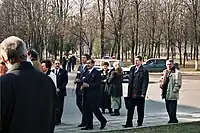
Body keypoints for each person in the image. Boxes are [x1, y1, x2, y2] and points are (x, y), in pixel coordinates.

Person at [0, 36, 56, 133]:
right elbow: (52, 117)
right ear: (26, 54)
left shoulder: (4, 83)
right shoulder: (47, 80)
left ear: (4, 59)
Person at [123, 55, 149, 128]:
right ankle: (128, 123)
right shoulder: (132, 69)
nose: (136, 62)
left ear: (141, 61)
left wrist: (143, 93)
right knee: (130, 109)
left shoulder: (144, 71)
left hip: (139, 93)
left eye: (137, 60)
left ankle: (139, 123)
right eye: (135, 60)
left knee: (140, 110)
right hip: (132, 93)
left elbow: (145, 83)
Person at [81, 59, 107, 130]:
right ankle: (89, 125)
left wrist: (88, 85)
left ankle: (103, 121)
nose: (88, 65)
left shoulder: (96, 72)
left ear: (93, 64)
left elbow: (97, 83)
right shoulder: (86, 71)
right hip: (86, 93)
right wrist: (82, 84)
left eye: (89, 63)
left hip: (93, 94)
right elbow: (84, 80)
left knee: (94, 109)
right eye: (87, 63)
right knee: (87, 109)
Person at [160, 59, 182, 123]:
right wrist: (161, 85)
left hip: (172, 94)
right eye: (167, 64)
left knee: (172, 109)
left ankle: (173, 120)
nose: (169, 66)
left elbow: (178, 83)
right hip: (166, 93)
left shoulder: (176, 72)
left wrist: (174, 91)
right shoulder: (165, 71)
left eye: (170, 64)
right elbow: (161, 80)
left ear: (173, 65)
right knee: (168, 108)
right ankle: (172, 119)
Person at [74, 54, 90, 127]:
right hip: (78, 88)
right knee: (78, 104)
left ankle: (85, 120)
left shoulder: (88, 67)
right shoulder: (80, 67)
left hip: (84, 88)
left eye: (84, 58)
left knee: (84, 106)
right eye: (82, 58)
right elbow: (78, 75)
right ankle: (86, 118)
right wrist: (76, 80)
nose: (82, 59)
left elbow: (87, 78)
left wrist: (80, 80)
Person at [53, 60, 68, 125]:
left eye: (58, 63)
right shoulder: (52, 72)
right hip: (53, 92)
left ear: (60, 64)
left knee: (60, 106)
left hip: (61, 91)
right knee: (54, 105)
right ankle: (54, 119)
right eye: (56, 63)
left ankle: (58, 119)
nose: (57, 65)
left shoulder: (63, 72)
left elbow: (65, 82)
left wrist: (59, 89)